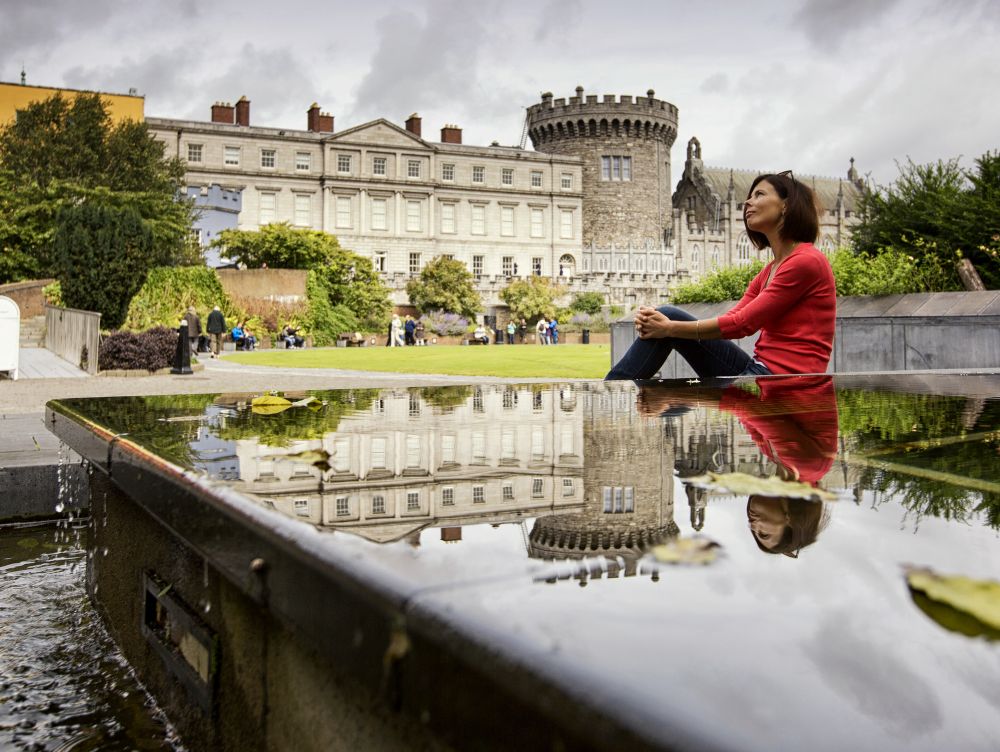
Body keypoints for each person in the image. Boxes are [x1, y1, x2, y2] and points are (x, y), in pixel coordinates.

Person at [606, 171, 836, 379]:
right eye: (750, 196)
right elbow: (733, 318)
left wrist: (669, 327)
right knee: (665, 319)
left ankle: (611, 393)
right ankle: (626, 393)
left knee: (668, 319)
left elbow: (742, 324)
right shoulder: (769, 270)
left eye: (759, 194)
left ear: (785, 205)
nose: (748, 202)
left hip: (781, 382)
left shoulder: (807, 261)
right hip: (760, 371)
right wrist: (664, 326)